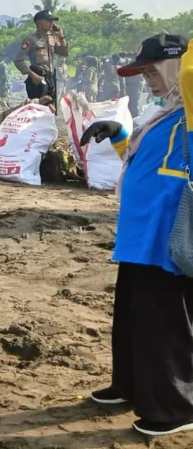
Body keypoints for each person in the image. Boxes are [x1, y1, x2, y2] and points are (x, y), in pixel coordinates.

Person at [79, 33, 191, 438]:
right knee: (133, 316)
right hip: (139, 232)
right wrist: (117, 134)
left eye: (153, 70)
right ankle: (130, 385)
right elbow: (140, 159)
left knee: (165, 322)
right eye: (142, 72)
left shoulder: (192, 112)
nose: (147, 79)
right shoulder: (163, 114)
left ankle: (175, 405)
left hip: (166, 235)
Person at [14, 10, 69, 101]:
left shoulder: (52, 38)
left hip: (51, 78)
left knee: (52, 109)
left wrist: (61, 36)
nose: (51, 23)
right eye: (48, 20)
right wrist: (32, 75)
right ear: (39, 22)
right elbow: (18, 60)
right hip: (37, 79)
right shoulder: (31, 40)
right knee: (38, 109)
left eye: (52, 21)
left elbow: (64, 54)